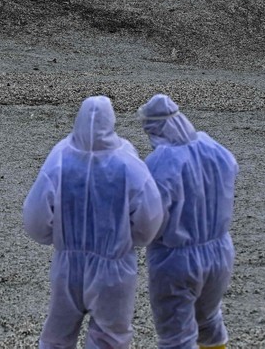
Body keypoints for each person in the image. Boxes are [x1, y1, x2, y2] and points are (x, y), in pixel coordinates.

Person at [24, 95, 163, 349]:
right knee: (110, 337)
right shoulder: (128, 162)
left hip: (67, 267)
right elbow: (149, 217)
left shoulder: (60, 157)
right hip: (114, 269)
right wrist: (129, 241)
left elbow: (35, 216)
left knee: (57, 334)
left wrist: (54, 238)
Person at [139, 94, 239, 349]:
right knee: (209, 321)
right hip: (220, 252)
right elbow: (231, 171)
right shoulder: (213, 146)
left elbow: (150, 216)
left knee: (176, 336)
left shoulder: (159, 162)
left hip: (176, 259)